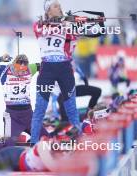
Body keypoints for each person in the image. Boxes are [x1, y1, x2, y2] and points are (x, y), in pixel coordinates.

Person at [30, 0, 105, 144]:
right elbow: (46, 30)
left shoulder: (68, 26)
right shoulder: (39, 25)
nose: (59, 7)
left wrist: (99, 23)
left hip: (64, 68)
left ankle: (79, 142)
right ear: (48, 11)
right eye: (55, 6)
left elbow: (94, 33)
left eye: (59, 5)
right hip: (47, 69)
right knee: (40, 109)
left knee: (72, 109)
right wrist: (64, 24)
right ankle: (33, 143)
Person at [0, 54, 49, 151]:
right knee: (8, 146)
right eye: (17, 69)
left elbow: (46, 66)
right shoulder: (4, 70)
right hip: (12, 117)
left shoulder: (30, 68)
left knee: (47, 140)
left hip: (28, 115)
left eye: (23, 70)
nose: (20, 72)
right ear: (13, 65)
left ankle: (31, 140)